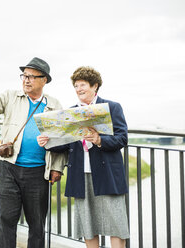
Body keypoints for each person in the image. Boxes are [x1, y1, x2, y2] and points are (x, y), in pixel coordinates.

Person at [0, 57, 66, 248]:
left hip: (38, 172)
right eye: (24, 75)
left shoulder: (54, 105)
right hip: (8, 167)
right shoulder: (11, 96)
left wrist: (57, 168)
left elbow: (61, 140)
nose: (26, 80)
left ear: (44, 80)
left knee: (37, 224)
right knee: (6, 220)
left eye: (32, 76)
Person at [37, 66, 129, 248]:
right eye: (76, 86)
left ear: (95, 86)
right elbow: (66, 143)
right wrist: (47, 141)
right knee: (88, 225)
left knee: (116, 225)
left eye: (83, 85)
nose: (79, 89)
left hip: (108, 175)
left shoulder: (112, 107)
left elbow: (122, 138)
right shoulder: (70, 112)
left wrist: (99, 139)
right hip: (81, 174)